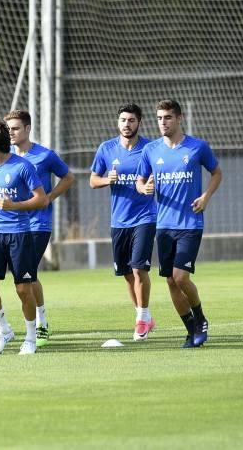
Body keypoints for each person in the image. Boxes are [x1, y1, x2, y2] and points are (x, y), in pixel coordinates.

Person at [136, 99, 222, 348]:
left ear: (179, 118)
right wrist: (144, 188)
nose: (163, 122)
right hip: (163, 225)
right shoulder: (151, 150)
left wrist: (205, 197)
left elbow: (217, 173)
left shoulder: (197, 147)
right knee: (170, 281)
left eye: (168, 117)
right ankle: (191, 330)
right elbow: (140, 181)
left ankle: (201, 318)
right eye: (160, 118)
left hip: (190, 224)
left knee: (181, 277)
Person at [0, 121, 48, 355]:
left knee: (23, 290)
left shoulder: (23, 167)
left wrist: (14, 205)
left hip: (19, 235)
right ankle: (4, 330)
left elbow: (41, 199)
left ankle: (30, 338)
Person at [4, 110, 74, 347]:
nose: (10, 133)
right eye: (8, 129)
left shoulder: (45, 156)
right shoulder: (5, 156)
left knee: (27, 273)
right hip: (11, 226)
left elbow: (68, 177)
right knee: (26, 275)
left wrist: (49, 197)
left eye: (15, 128)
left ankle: (39, 324)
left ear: (27, 129)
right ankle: (39, 320)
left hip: (38, 224)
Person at [90, 104, 158, 340]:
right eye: (123, 120)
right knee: (127, 274)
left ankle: (142, 318)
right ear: (117, 123)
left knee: (139, 268)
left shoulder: (150, 148)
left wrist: (153, 185)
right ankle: (144, 315)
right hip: (119, 220)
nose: (126, 124)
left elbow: (162, 173)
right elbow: (92, 180)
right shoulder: (106, 149)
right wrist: (106, 179)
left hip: (145, 217)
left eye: (131, 120)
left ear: (139, 122)